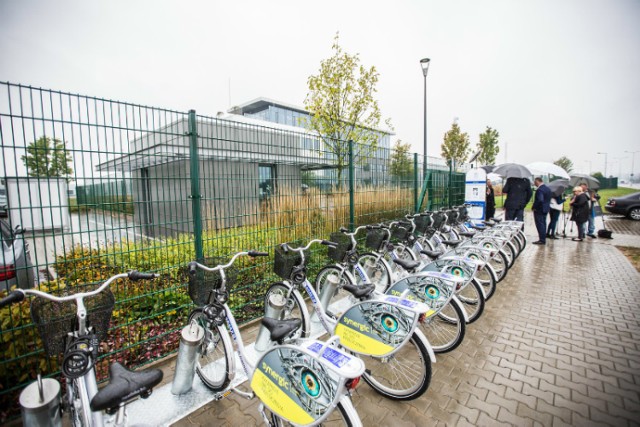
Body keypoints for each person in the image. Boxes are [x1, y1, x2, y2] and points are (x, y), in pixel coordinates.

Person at [532, 177, 552, 245]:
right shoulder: (548, 189)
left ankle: (542, 239)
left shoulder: (540, 190)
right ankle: (543, 237)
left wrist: (534, 206)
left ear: (537, 181)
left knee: (540, 224)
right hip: (546, 208)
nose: (534, 184)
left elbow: (540, 200)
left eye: (535, 182)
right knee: (543, 223)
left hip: (539, 209)